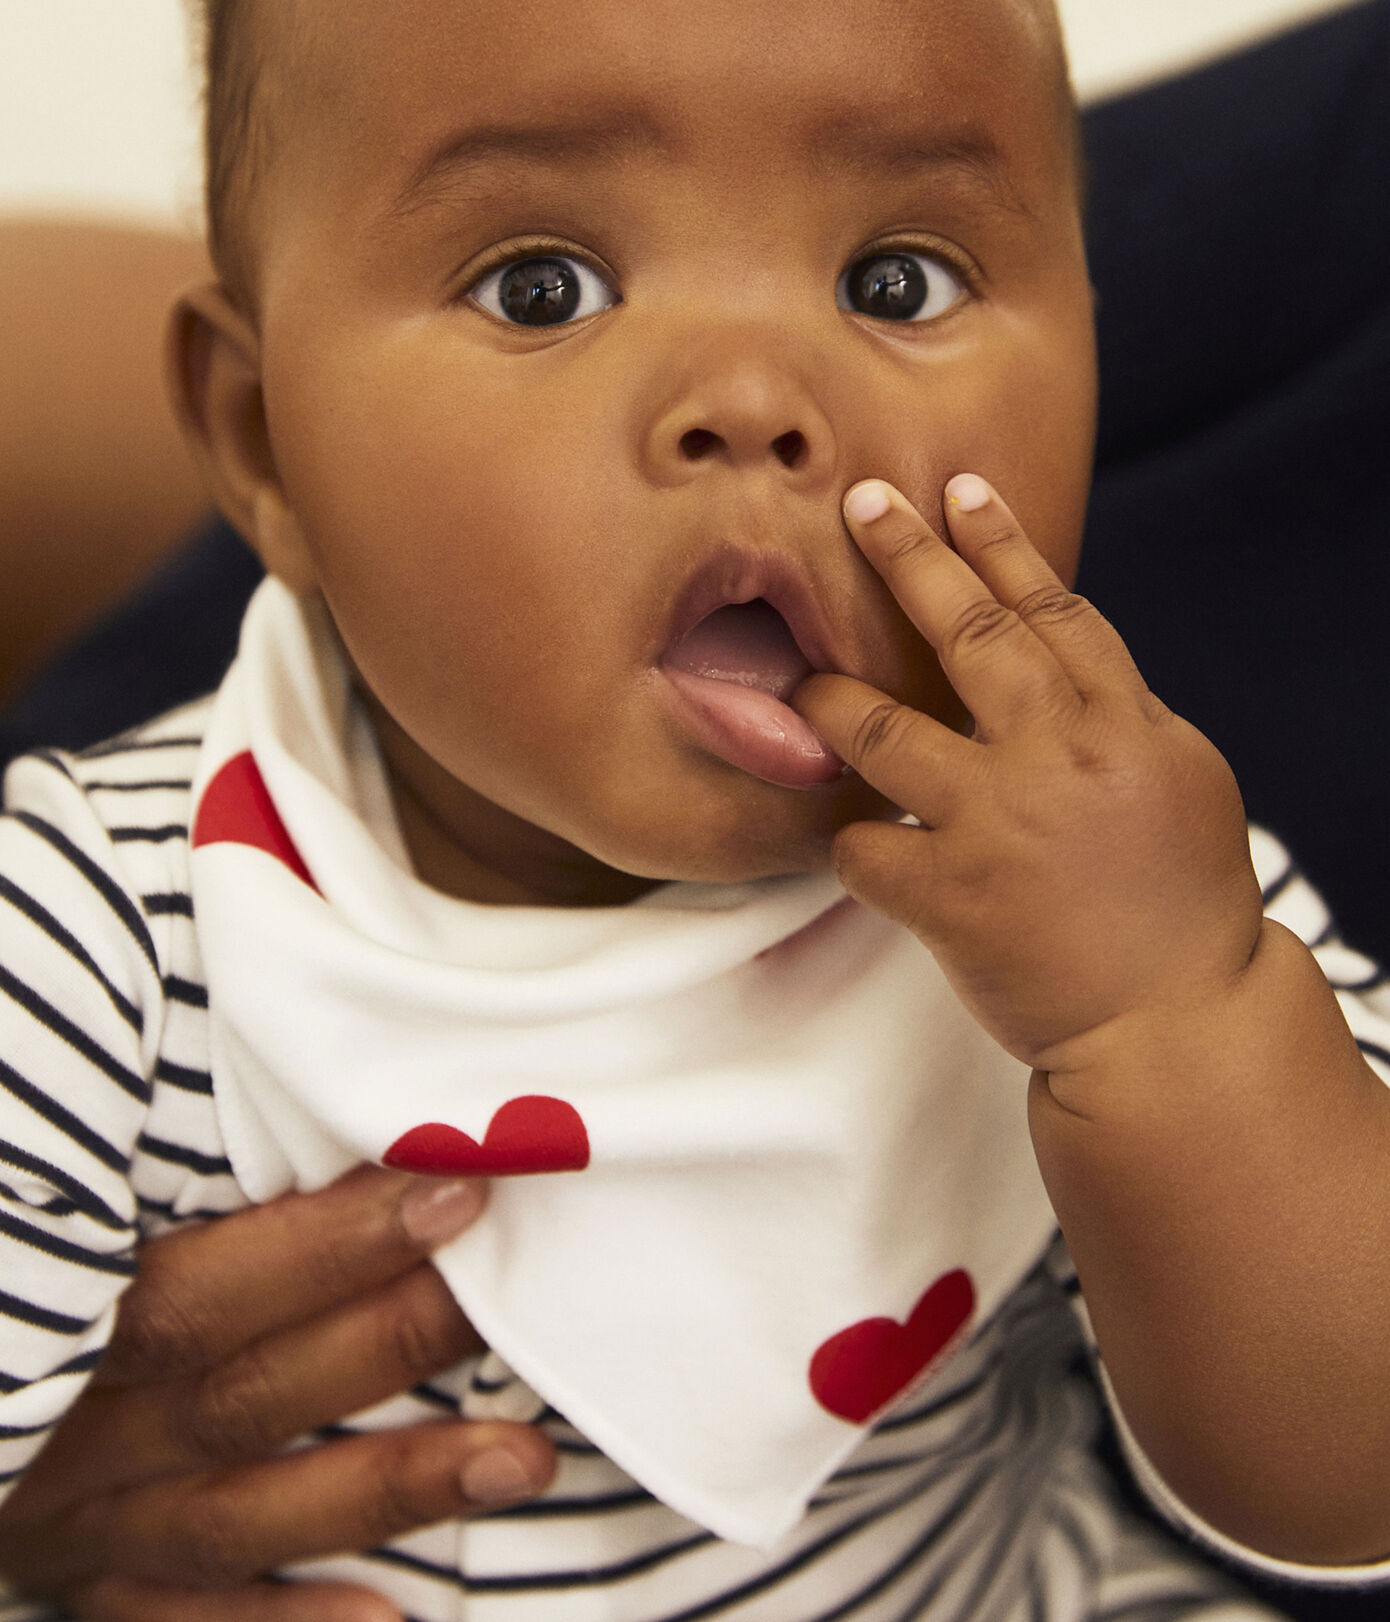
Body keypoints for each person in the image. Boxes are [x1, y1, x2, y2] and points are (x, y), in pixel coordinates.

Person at [2, 2, 1389, 1619]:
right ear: (262, 443)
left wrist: (1171, 1022)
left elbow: (1344, 1475)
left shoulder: (1118, 901)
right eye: (541, 287)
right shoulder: (98, 933)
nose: (752, 395)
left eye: (896, 282)